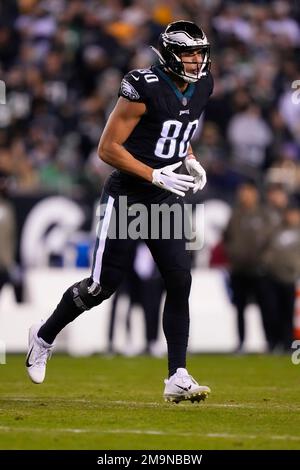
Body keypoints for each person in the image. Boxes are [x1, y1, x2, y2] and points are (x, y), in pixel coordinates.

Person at [26, 20, 214, 403]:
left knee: (179, 281)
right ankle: (43, 336)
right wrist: (153, 174)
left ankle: (177, 375)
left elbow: (177, 131)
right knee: (101, 287)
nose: (195, 61)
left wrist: (189, 159)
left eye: (199, 52)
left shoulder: (203, 86)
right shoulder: (141, 86)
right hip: (128, 195)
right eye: (187, 53)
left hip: (164, 197)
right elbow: (107, 149)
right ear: (168, 54)